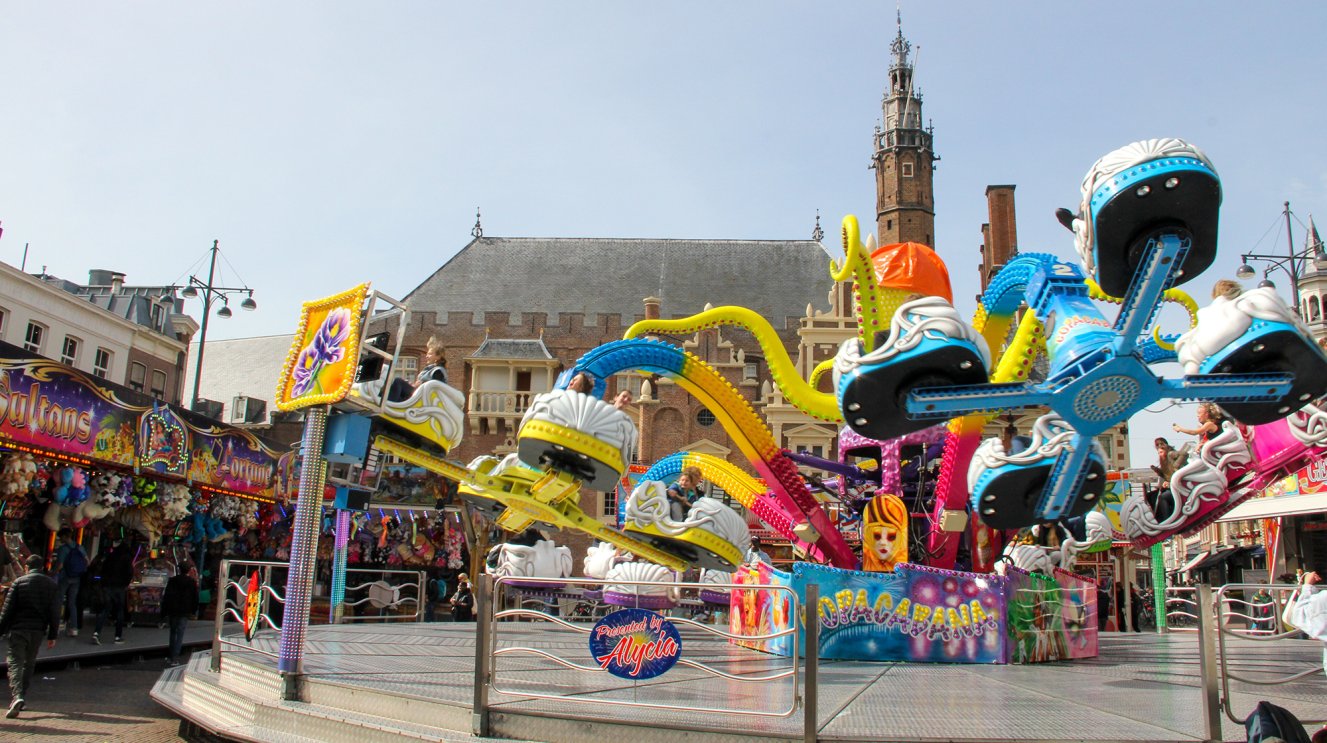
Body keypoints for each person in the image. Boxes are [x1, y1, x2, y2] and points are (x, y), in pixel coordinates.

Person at [0, 555, 60, 718]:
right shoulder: (52, 585)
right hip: (37, 631)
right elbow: (54, 613)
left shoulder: (19, 583)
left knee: (15, 662)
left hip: (18, 628)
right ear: (42, 567)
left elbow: (7, 610)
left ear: (27, 568)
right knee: (29, 663)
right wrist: (52, 635)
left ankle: (17, 695)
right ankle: (22, 698)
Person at [94, 540, 134, 644]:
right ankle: (117, 636)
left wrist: (102, 585)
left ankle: (96, 632)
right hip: (119, 586)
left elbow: (103, 571)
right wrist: (126, 584)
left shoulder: (110, 556)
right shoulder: (127, 558)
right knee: (120, 611)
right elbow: (129, 572)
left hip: (107, 586)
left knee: (106, 609)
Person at [387, 336, 449, 403]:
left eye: (430, 354)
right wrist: (415, 385)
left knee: (398, 381)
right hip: (420, 394)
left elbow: (436, 389)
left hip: (422, 397)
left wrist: (420, 386)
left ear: (438, 357)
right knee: (397, 392)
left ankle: (389, 405)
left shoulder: (438, 371)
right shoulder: (432, 369)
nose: (426, 356)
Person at [52, 528, 88, 637]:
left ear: (64, 536)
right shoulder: (80, 547)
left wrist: (51, 573)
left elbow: (60, 565)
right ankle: (74, 628)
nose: (59, 539)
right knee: (72, 603)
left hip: (64, 577)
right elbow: (87, 562)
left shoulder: (63, 549)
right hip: (76, 578)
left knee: (58, 601)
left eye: (60, 537)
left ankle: (55, 626)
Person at [161, 563, 199, 666]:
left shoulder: (172, 581)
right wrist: (194, 609)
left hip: (173, 609)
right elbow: (194, 597)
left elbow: (167, 596)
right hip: (185, 610)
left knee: (173, 632)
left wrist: (164, 611)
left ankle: (171, 655)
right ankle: (175, 656)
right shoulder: (191, 582)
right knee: (180, 632)